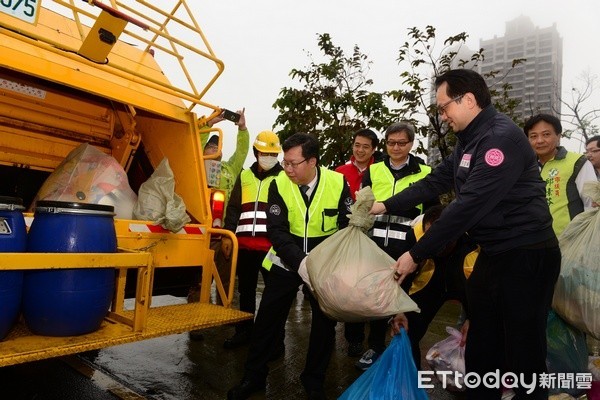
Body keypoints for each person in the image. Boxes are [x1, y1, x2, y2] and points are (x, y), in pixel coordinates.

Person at [371, 69, 561, 399]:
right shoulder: (468, 141)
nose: (442, 116)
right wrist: (383, 204)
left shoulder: (498, 140)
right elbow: (434, 182)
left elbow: (468, 206)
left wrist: (416, 254)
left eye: (444, 107)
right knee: (482, 344)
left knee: (524, 352)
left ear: (468, 100)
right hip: (494, 253)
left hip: (527, 255)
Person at [227, 133, 352, 400]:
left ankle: (314, 380)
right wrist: (300, 262)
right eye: (285, 162)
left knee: (324, 323)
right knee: (268, 319)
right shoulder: (278, 184)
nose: (288, 169)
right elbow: (277, 231)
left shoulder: (338, 183)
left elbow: (346, 226)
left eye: (294, 163)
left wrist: (326, 263)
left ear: (313, 161)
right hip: (286, 258)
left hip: (322, 259)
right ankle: (253, 376)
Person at [353, 121, 433, 370]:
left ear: (411, 144)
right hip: (377, 245)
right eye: (391, 142)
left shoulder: (425, 173)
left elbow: (432, 212)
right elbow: (364, 203)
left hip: (408, 250)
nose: (396, 147)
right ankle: (375, 348)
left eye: (402, 143)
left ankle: (401, 352)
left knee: (403, 299)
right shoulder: (374, 171)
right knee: (377, 300)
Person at [189, 109, 249, 341]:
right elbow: (196, 140)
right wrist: (211, 123)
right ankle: (196, 323)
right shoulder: (195, 167)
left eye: (217, 148)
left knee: (225, 280)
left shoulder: (228, 170)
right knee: (198, 283)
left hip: (223, 236)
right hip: (199, 236)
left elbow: (242, 152)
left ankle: (223, 317)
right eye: (209, 147)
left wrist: (242, 129)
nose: (213, 151)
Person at [220, 130, 284, 349]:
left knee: (274, 297)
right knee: (245, 292)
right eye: (265, 153)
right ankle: (244, 332)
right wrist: (229, 235)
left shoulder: (284, 177)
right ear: (257, 152)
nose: (269, 157)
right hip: (245, 247)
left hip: (271, 249)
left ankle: (275, 341)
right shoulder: (245, 176)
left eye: (273, 153)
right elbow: (234, 207)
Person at [396, 205, 478, 368]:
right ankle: (411, 383)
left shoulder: (474, 238)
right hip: (430, 281)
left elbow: (485, 286)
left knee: (478, 333)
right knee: (407, 331)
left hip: (465, 283)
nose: (438, 244)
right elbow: (404, 277)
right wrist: (399, 309)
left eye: (445, 239)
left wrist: (473, 318)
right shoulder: (414, 235)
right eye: (431, 237)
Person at [334, 128, 379, 358]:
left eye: (365, 146)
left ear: (373, 150)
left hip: (373, 238)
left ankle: (374, 339)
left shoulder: (379, 172)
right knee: (350, 287)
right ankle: (353, 339)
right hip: (345, 237)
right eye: (357, 145)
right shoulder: (339, 172)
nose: (360, 150)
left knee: (367, 288)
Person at [524, 113, 595, 235]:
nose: (539, 140)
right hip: (536, 243)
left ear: (558, 136)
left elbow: (592, 205)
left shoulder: (577, 162)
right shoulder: (525, 168)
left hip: (571, 242)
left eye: (546, 134)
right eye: (533, 136)